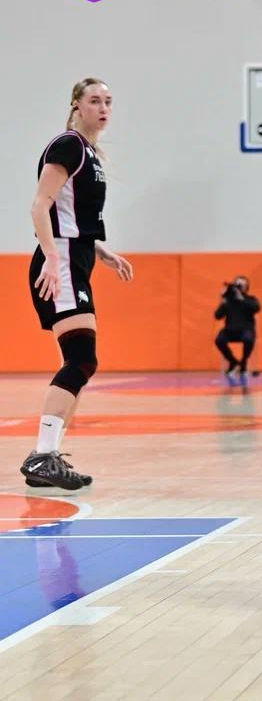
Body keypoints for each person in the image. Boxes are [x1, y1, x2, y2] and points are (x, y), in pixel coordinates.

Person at [21, 78, 134, 490]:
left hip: (77, 257)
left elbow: (72, 218)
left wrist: (100, 251)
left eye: (108, 101)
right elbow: (40, 206)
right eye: (94, 100)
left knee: (82, 361)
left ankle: (47, 455)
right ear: (76, 105)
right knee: (81, 359)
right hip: (63, 260)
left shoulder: (89, 153)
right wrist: (53, 259)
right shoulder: (68, 145)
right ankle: (43, 455)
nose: (103, 108)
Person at [215, 275, 260, 384]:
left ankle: (244, 363)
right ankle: (233, 362)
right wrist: (223, 300)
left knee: (248, 339)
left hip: (246, 330)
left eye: (242, 285)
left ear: (247, 287)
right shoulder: (229, 301)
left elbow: (256, 308)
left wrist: (241, 298)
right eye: (237, 285)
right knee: (219, 340)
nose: (239, 287)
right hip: (230, 330)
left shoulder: (250, 299)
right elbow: (217, 316)